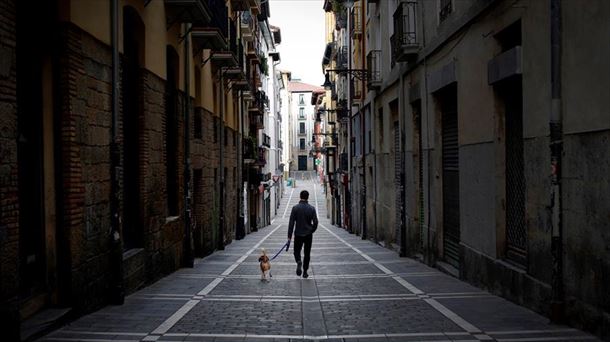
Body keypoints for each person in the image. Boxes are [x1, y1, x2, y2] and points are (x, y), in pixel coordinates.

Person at [287, 190, 318, 278]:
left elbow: (291, 223)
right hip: (308, 235)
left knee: (296, 251)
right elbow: (316, 222)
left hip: (298, 234)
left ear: (300, 197)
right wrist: (311, 230)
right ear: (307, 197)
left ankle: (298, 261)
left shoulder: (295, 208)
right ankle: (305, 271)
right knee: (307, 253)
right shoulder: (312, 208)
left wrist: (289, 236)